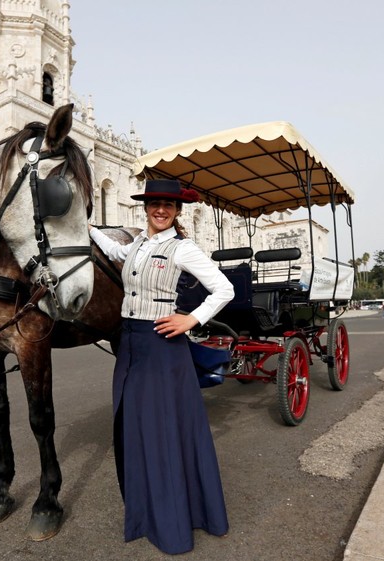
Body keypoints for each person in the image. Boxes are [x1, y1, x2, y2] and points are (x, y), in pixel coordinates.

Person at [89, 179, 234, 555]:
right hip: (131, 345)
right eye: (154, 203)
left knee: (165, 432)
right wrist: (82, 225)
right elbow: (111, 249)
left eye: (168, 205)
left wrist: (191, 320)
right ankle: (147, 511)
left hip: (162, 347)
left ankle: (175, 521)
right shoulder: (137, 243)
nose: (160, 209)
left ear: (177, 211)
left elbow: (224, 288)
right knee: (137, 429)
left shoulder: (182, 248)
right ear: (146, 206)